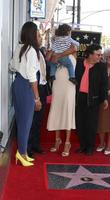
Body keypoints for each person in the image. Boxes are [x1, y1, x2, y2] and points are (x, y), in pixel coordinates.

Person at [9, 21, 42, 166]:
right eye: (38, 33)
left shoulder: (20, 47)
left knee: (22, 122)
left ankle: (22, 153)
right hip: (26, 86)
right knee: (25, 123)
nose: (39, 35)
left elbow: (12, 66)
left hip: (17, 84)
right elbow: (32, 77)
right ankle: (22, 154)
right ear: (32, 34)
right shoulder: (32, 51)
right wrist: (37, 98)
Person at [75, 44, 108, 155]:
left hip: (93, 99)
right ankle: (82, 146)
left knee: (91, 124)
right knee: (80, 122)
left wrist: (104, 99)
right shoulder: (79, 63)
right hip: (79, 98)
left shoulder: (101, 67)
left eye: (101, 55)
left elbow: (104, 84)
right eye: (98, 54)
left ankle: (89, 147)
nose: (100, 57)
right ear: (90, 54)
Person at [47, 46, 77, 157]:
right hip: (57, 84)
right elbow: (47, 59)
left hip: (69, 86)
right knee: (56, 110)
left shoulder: (73, 51)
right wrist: (52, 50)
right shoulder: (55, 49)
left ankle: (67, 143)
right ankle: (57, 139)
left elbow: (73, 48)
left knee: (67, 111)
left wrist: (58, 54)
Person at [27, 44, 47, 157]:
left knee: (39, 118)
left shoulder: (39, 51)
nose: (40, 38)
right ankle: (28, 147)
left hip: (42, 86)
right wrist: (36, 97)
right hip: (34, 87)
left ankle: (35, 144)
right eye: (38, 35)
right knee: (31, 119)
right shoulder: (29, 51)